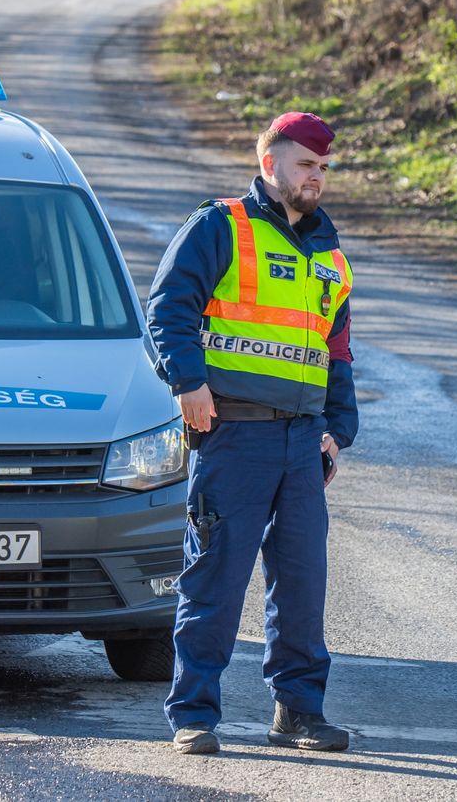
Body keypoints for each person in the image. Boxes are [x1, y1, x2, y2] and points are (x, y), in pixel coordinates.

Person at [147, 112, 357, 755]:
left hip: (301, 442)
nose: (315, 178)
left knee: (301, 583)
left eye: (322, 168)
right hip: (232, 433)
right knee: (214, 577)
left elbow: (337, 350)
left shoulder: (329, 254)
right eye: (305, 165)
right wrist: (186, 382)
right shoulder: (220, 227)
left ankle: (298, 711)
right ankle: (194, 713)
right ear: (270, 164)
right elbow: (169, 307)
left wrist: (337, 430)